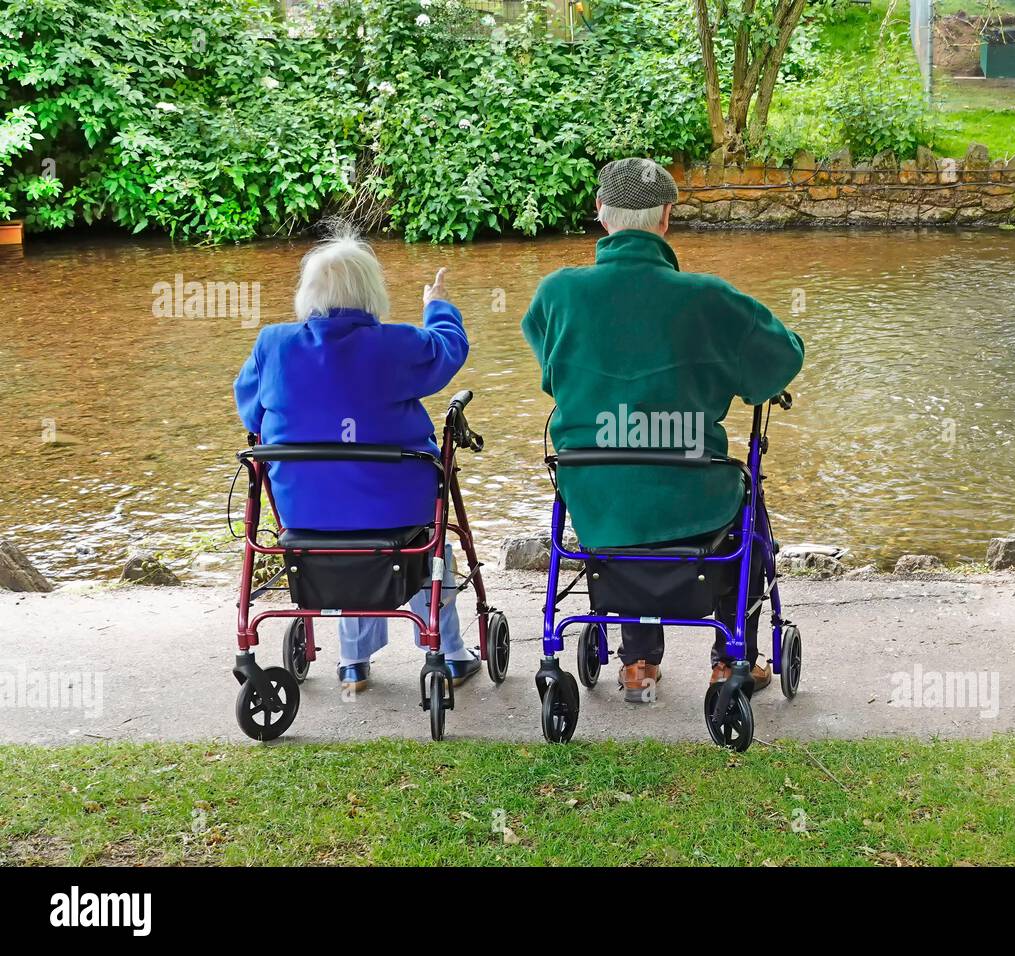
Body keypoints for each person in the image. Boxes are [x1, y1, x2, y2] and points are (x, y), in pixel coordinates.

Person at [521, 158, 804, 702]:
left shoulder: (557, 293)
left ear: (600, 212)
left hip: (597, 500)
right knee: (744, 511)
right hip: (696, 501)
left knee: (627, 489)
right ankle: (730, 661)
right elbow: (780, 361)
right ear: (667, 218)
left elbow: (551, 372)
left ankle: (638, 664)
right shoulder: (709, 298)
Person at [233, 227, 478, 693]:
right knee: (428, 545)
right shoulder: (398, 344)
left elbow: (252, 411)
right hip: (397, 506)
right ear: (372, 292)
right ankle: (449, 653)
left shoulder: (273, 344)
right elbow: (449, 351)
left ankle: (353, 662)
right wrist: (438, 305)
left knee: (344, 526)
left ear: (308, 294)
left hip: (306, 508)